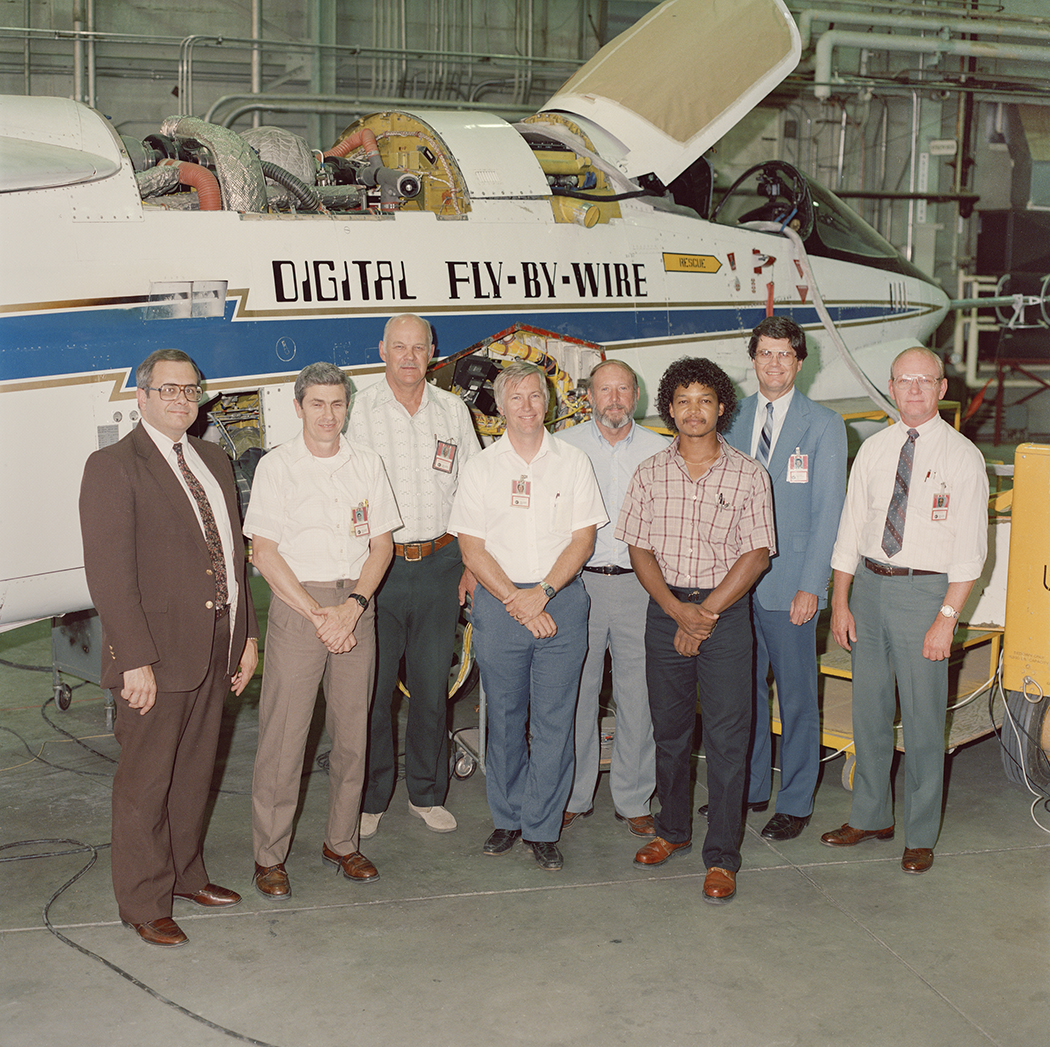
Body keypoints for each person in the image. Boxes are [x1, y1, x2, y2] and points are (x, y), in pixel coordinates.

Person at [79, 349, 258, 948]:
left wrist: (247, 636)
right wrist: (134, 658)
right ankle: (142, 899)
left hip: (214, 644)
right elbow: (109, 574)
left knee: (192, 774)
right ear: (143, 396)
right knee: (146, 782)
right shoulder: (112, 466)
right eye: (170, 390)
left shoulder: (210, 457)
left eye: (191, 390)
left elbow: (234, 559)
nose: (183, 400)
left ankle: (185, 876)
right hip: (154, 654)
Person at [822, 346, 988, 874]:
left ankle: (919, 831)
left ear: (941, 388)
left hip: (925, 595)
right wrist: (841, 601)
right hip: (869, 588)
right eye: (903, 380)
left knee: (921, 720)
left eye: (924, 380)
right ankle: (871, 815)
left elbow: (971, 552)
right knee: (869, 712)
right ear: (890, 388)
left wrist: (947, 617)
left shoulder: (963, 457)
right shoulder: (873, 449)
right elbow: (851, 528)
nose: (913, 389)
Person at [616, 357, 775, 904]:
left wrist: (703, 613)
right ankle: (673, 831)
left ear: (722, 407)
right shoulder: (650, 472)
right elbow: (638, 546)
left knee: (729, 739)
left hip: (725, 617)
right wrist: (676, 610)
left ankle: (723, 856)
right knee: (670, 731)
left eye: (704, 400)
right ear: (669, 409)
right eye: (682, 400)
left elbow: (756, 556)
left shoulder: (749, 474)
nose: (693, 410)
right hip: (665, 613)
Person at [245, 362, 400, 898]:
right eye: (318, 404)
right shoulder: (277, 467)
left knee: (353, 735)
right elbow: (263, 551)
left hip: (355, 603)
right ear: (298, 407)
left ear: (347, 407)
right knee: (284, 738)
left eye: (338, 403)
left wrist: (353, 606)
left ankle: (342, 841)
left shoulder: (367, 463)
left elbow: (383, 544)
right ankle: (269, 855)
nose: (329, 414)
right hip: (299, 607)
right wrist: (319, 615)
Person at [447, 361, 607, 871]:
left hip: (559, 599)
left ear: (549, 402)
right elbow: (471, 548)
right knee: (505, 716)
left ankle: (542, 825)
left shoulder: (573, 462)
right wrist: (517, 600)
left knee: (556, 720)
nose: (526, 406)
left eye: (535, 396)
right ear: (500, 404)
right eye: (515, 397)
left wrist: (541, 592)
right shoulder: (481, 468)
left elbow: (584, 538)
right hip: (500, 603)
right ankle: (508, 817)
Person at [348, 314, 479, 837]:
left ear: (432, 352)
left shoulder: (452, 412)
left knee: (431, 687)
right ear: (381, 350)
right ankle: (373, 796)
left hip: (442, 564)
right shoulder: (357, 412)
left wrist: (471, 562)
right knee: (374, 691)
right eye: (398, 346)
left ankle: (427, 793)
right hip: (378, 569)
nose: (408, 356)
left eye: (418, 347)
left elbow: (473, 492)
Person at [723, 316, 846, 840]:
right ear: (753, 359)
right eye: (765, 353)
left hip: (790, 584)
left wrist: (811, 587)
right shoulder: (732, 417)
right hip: (734, 585)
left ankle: (795, 800)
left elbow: (829, 514)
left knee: (795, 696)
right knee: (741, 694)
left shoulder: (824, 425)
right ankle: (750, 790)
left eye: (784, 355)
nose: (774, 363)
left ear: (799, 362)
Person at [555, 360, 669, 838]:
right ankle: (576, 795)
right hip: (578, 584)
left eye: (624, 388)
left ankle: (634, 797)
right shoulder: (565, 447)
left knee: (636, 696)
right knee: (576, 694)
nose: (615, 398)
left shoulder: (662, 449)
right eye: (606, 389)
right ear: (590, 396)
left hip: (638, 586)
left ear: (637, 395)